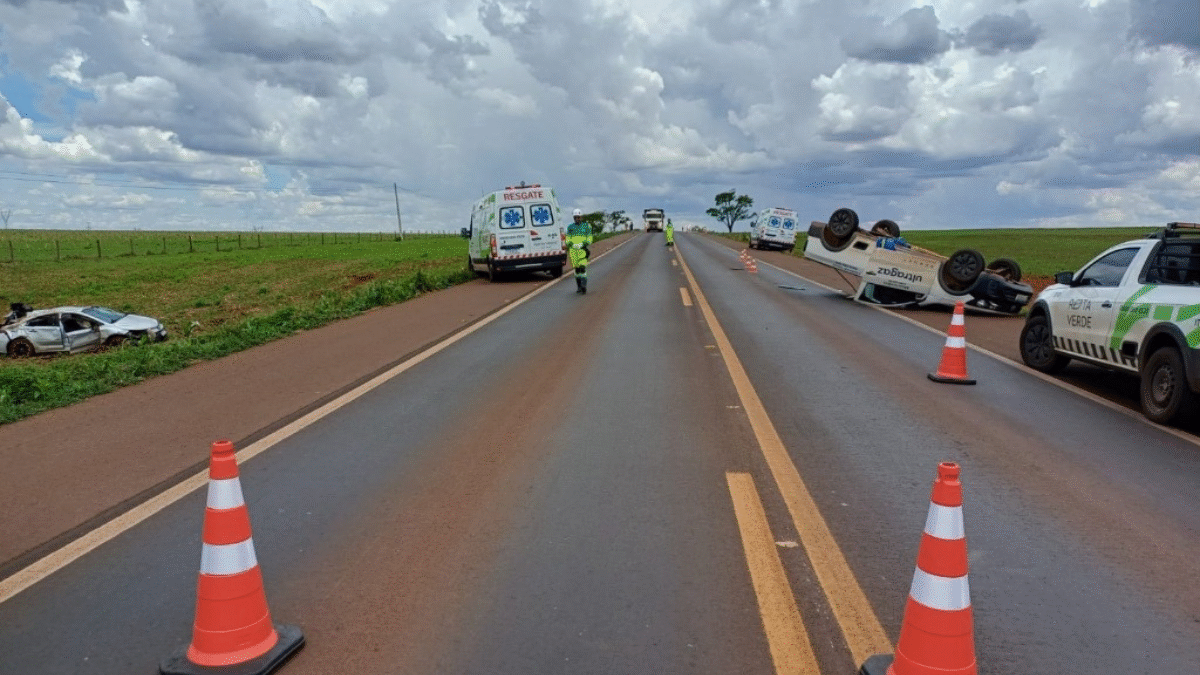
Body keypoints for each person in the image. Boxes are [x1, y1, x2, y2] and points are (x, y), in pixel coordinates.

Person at [566, 208, 593, 293]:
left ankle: (584, 286)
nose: (577, 219)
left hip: (582, 250)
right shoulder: (570, 227)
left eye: (578, 217)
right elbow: (567, 239)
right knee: (577, 269)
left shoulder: (586, 226)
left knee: (582, 267)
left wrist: (584, 244)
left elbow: (589, 238)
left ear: (581, 217)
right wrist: (571, 244)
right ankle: (579, 286)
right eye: (575, 217)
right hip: (573, 251)